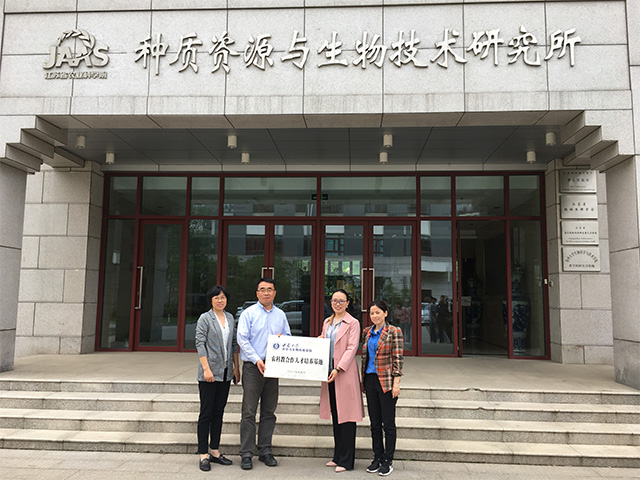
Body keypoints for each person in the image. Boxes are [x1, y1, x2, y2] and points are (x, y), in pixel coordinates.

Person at [237, 278, 291, 470]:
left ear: (275, 293)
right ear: (257, 293)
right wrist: (256, 359)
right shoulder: (248, 313)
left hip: (273, 367)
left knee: (269, 411)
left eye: (269, 289)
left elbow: (288, 336)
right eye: (262, 289)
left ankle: (265, 450)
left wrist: (283, 339)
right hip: (253, 367)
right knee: (249, 412)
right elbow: (242, 339)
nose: (266, 293)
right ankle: (246, 453)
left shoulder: (280, 315)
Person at [195, 285, 240, 472]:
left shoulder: (230, 318)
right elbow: (200, 343)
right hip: (209, 373)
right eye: (216, 298)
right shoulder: (205, 318)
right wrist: (206, 369)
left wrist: (236, 367)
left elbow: (234, 344)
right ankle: (203, 454)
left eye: (223, 297)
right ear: (211, 300)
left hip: (226, 373)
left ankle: (214, 450)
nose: (220, 301)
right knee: (206, 413)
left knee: (218, 413)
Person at [319, 289, 364, 473]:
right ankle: (337, 456)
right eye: (334, 300)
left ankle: (347, 461)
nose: (337, 304)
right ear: (330, 303)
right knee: (337, 415)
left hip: (343, 373)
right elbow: (324, 344)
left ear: (347, 303)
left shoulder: (353, 323)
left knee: (347, 416)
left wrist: (338, 368)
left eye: (341, 301)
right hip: (329, 373)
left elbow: (352, 348)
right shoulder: (327, 322)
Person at [361, 299, 404, 476]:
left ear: (385, 313)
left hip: (386, 382)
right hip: (370, 380)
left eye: (378, 312)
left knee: (389, 424)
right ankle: (377, 457)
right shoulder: (367, 332)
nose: (374, 316)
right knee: (375, 423)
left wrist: (396, 383)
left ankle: (388, 460)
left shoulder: (394, 331)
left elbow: (398, 359)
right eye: (372, 313)